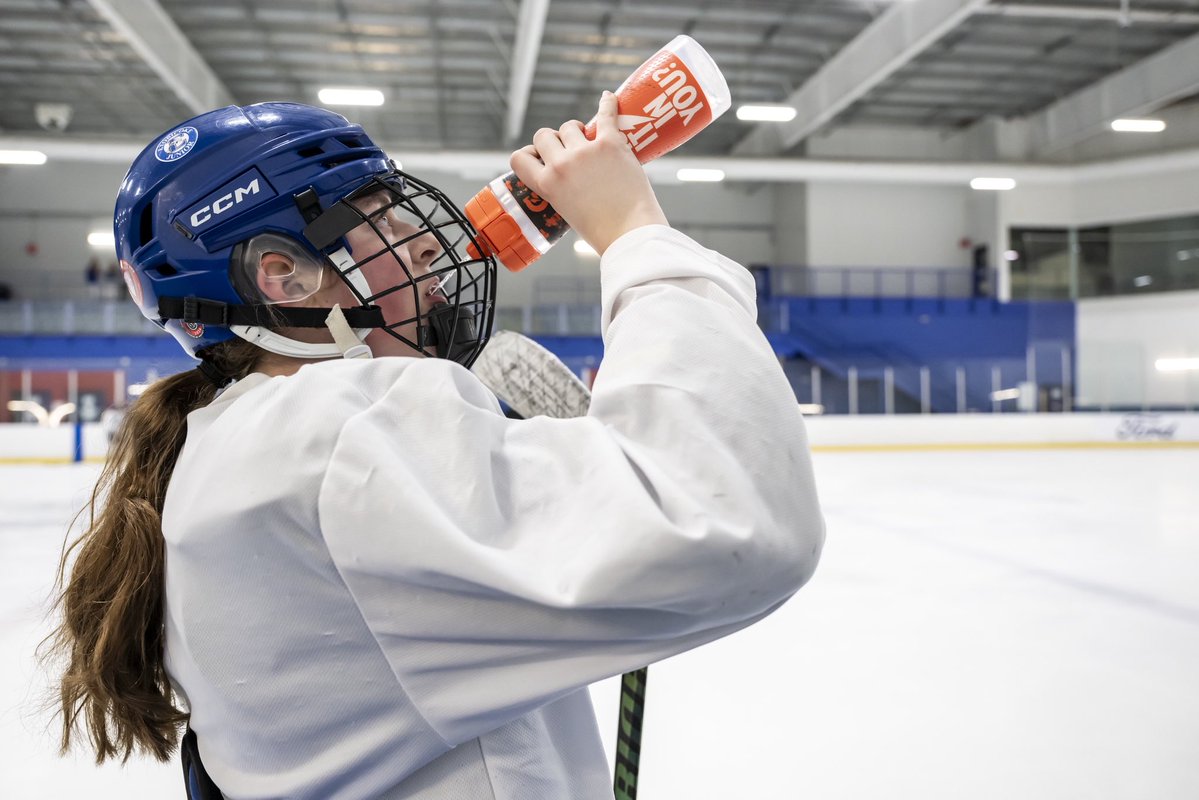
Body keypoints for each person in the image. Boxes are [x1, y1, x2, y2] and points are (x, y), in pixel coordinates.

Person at [47, 98, 824, 798]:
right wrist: (635, 234)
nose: (424, 245)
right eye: (380, 218)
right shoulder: (343, 426)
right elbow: (729, 521)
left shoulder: (223, 447)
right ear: (281, 276)